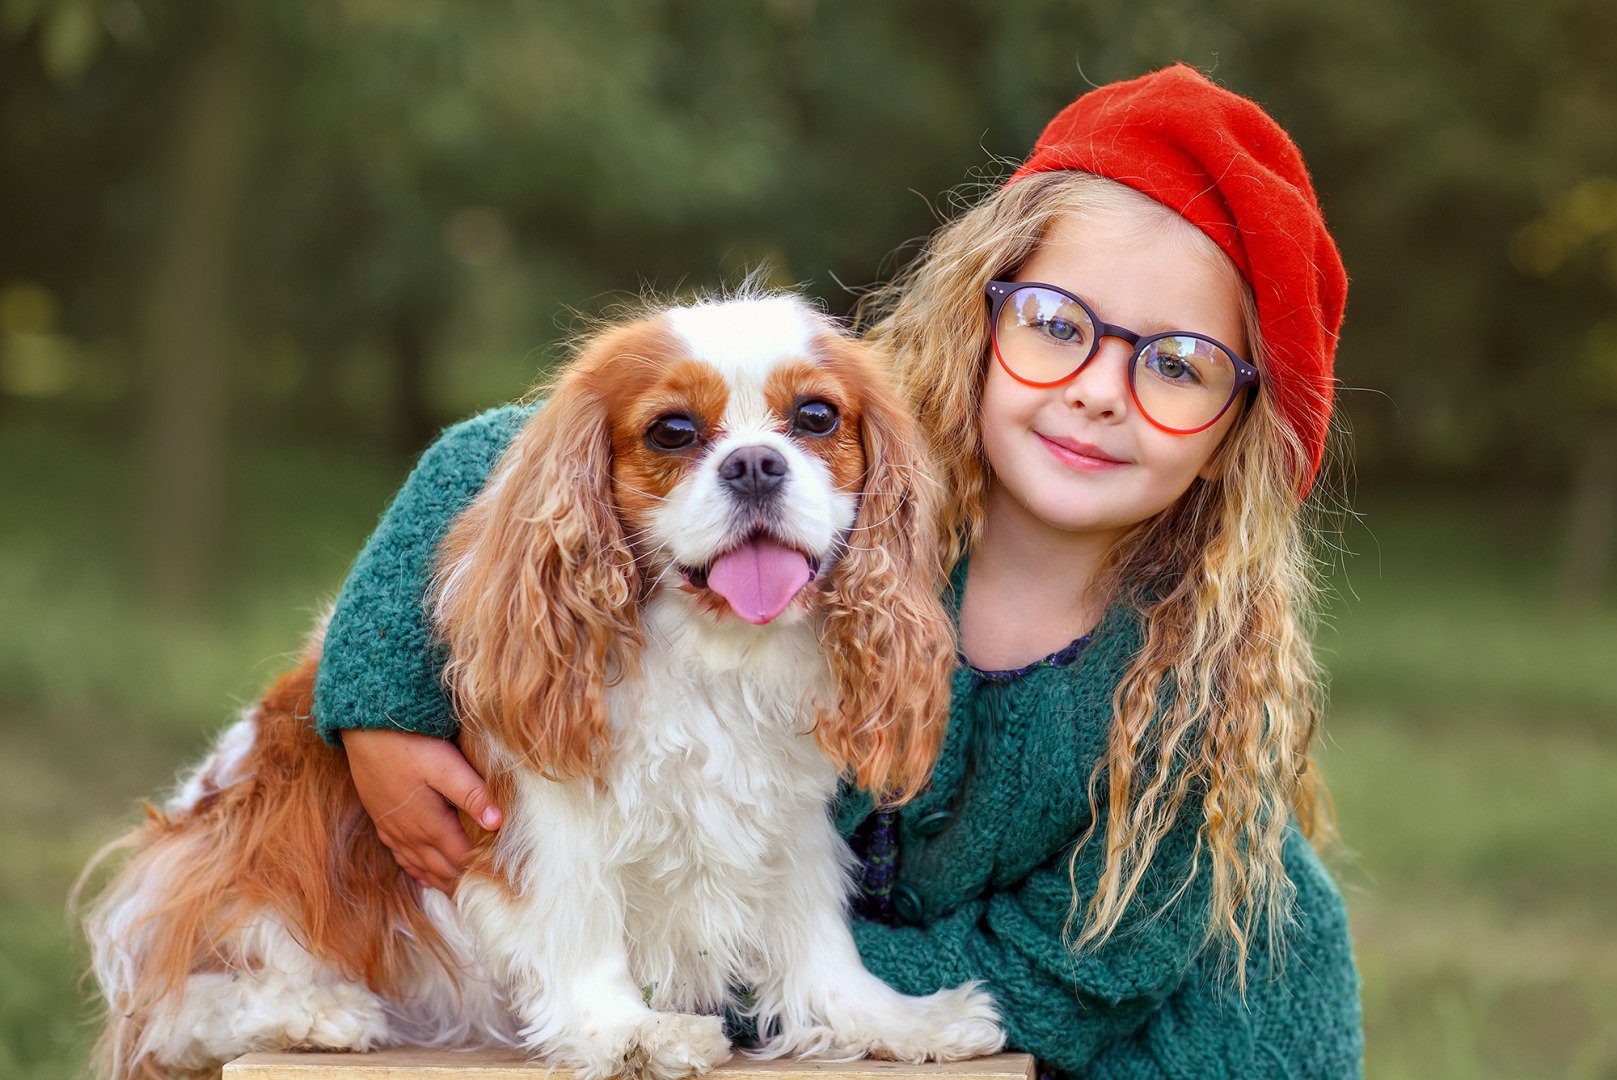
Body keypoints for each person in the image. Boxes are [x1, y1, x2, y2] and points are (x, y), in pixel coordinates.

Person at [313, 65, 1362, 1078]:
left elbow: (1058, 987)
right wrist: (374, 707)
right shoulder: (857, 458)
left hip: (1156, 1050)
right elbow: (495, 457)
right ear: (982, 317)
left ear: (1241, 429)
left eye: (1179, 363)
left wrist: (729, 973)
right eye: (1058, 325)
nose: (1098, 388)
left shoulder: (1192, 692)